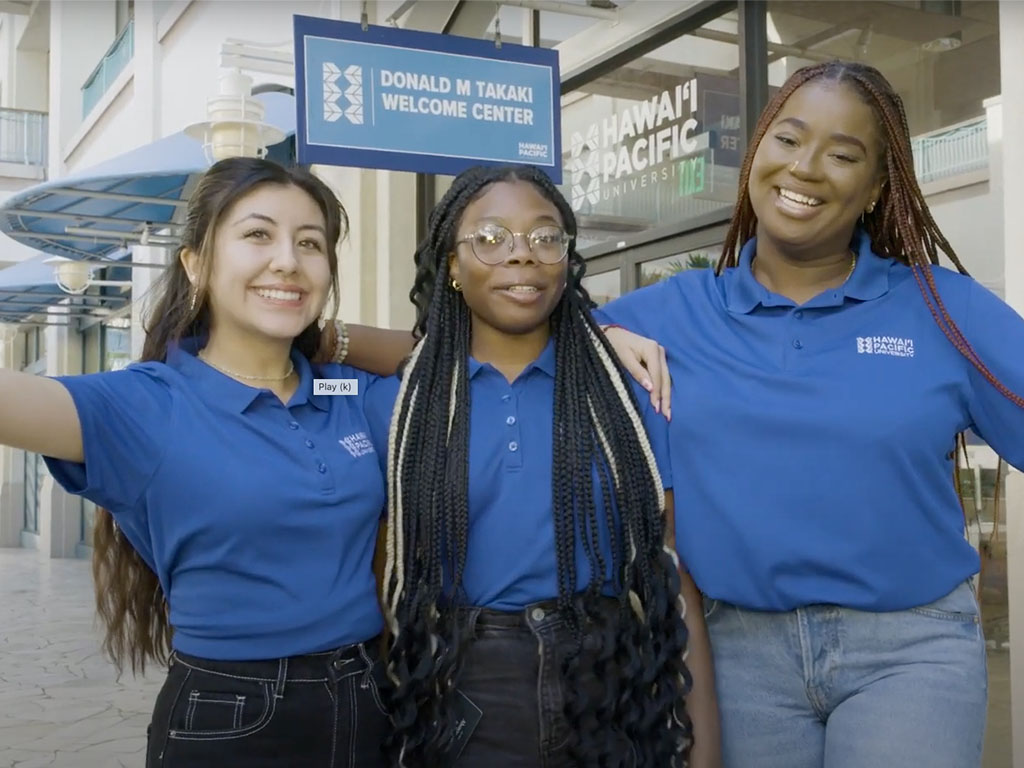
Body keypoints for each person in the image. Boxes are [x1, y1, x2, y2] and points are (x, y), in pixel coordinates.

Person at [590, 60, 1024, 767]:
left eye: (844, 154)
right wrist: (600, 334)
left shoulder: (940, 309)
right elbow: (515, 335)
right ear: (757, 151)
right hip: (737, 656)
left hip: (908, 656)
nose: (807, 168)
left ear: (878, 187)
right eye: (788, 140)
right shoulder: (676, 309)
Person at [0, 158, 390, 767]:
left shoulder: (350, 394)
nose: (287, 259)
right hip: (231, 718)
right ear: (196, 263)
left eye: (310, 243)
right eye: (257, 234)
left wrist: (336, 338)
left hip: (371, 702)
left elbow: (464, 366)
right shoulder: (146, 404)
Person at [361, 164, 720, 767]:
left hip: (612, 684)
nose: (522, 255)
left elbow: (671, 575)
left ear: (568, 260)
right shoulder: (401, 406)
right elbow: (380, 579)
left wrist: (703, 751)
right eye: (491, 237)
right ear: (451, 263)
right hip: (463, 690)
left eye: (545, 237)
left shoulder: (628, 395)